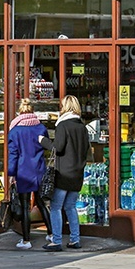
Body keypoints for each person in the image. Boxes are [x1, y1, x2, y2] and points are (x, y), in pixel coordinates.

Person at [39, 95, 90, 251]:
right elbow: (86, 150)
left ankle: (56, 241)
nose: (60, 109)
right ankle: (75, 239)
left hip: (63, 173)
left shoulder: (63, 126)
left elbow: (58, 147)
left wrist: (43, 141)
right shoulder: (82, 127)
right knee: (70, 207)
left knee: (55, 207)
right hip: (77, 173)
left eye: (61, 106)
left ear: (65, 107)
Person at [7, 98, 52, 250]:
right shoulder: (40, 128)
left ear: (20, 111)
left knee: (25, 205)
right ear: (32, 111)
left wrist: (11, 174)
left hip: (23, 171)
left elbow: (13, 154)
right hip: (38, 169)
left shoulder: (15, 131)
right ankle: (51, 233)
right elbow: (46, 146)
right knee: (41, 203)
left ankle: (26, 240)